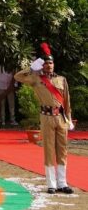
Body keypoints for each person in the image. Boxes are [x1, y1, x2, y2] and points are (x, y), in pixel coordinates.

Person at [15, 44, 74, 194]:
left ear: (54, 64)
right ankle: (51, 184)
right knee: (49, 150)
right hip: (47, 117)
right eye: (46, 63)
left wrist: (69, 118)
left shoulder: (61, 79)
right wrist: (31, 67)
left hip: (60, 117)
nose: (49, 65)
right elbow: (18, 77)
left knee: (62, 150)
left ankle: (62, 183)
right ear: (42, 65)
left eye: (51, 63)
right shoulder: (36, 79)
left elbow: (66, 100)